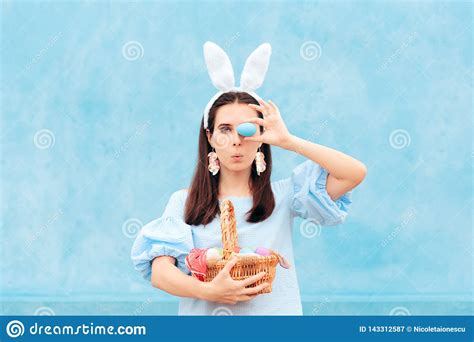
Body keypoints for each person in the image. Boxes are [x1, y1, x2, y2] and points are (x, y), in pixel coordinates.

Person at [130, 42, 367, 315]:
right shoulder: (184, 202)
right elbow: (161, 273)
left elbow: (353, 173)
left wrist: (288, 141)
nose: (236, 141)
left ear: (261, 135)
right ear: (209, 137)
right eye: (224, 129)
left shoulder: (286, 195)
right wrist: (210, 291)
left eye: (247, 130)